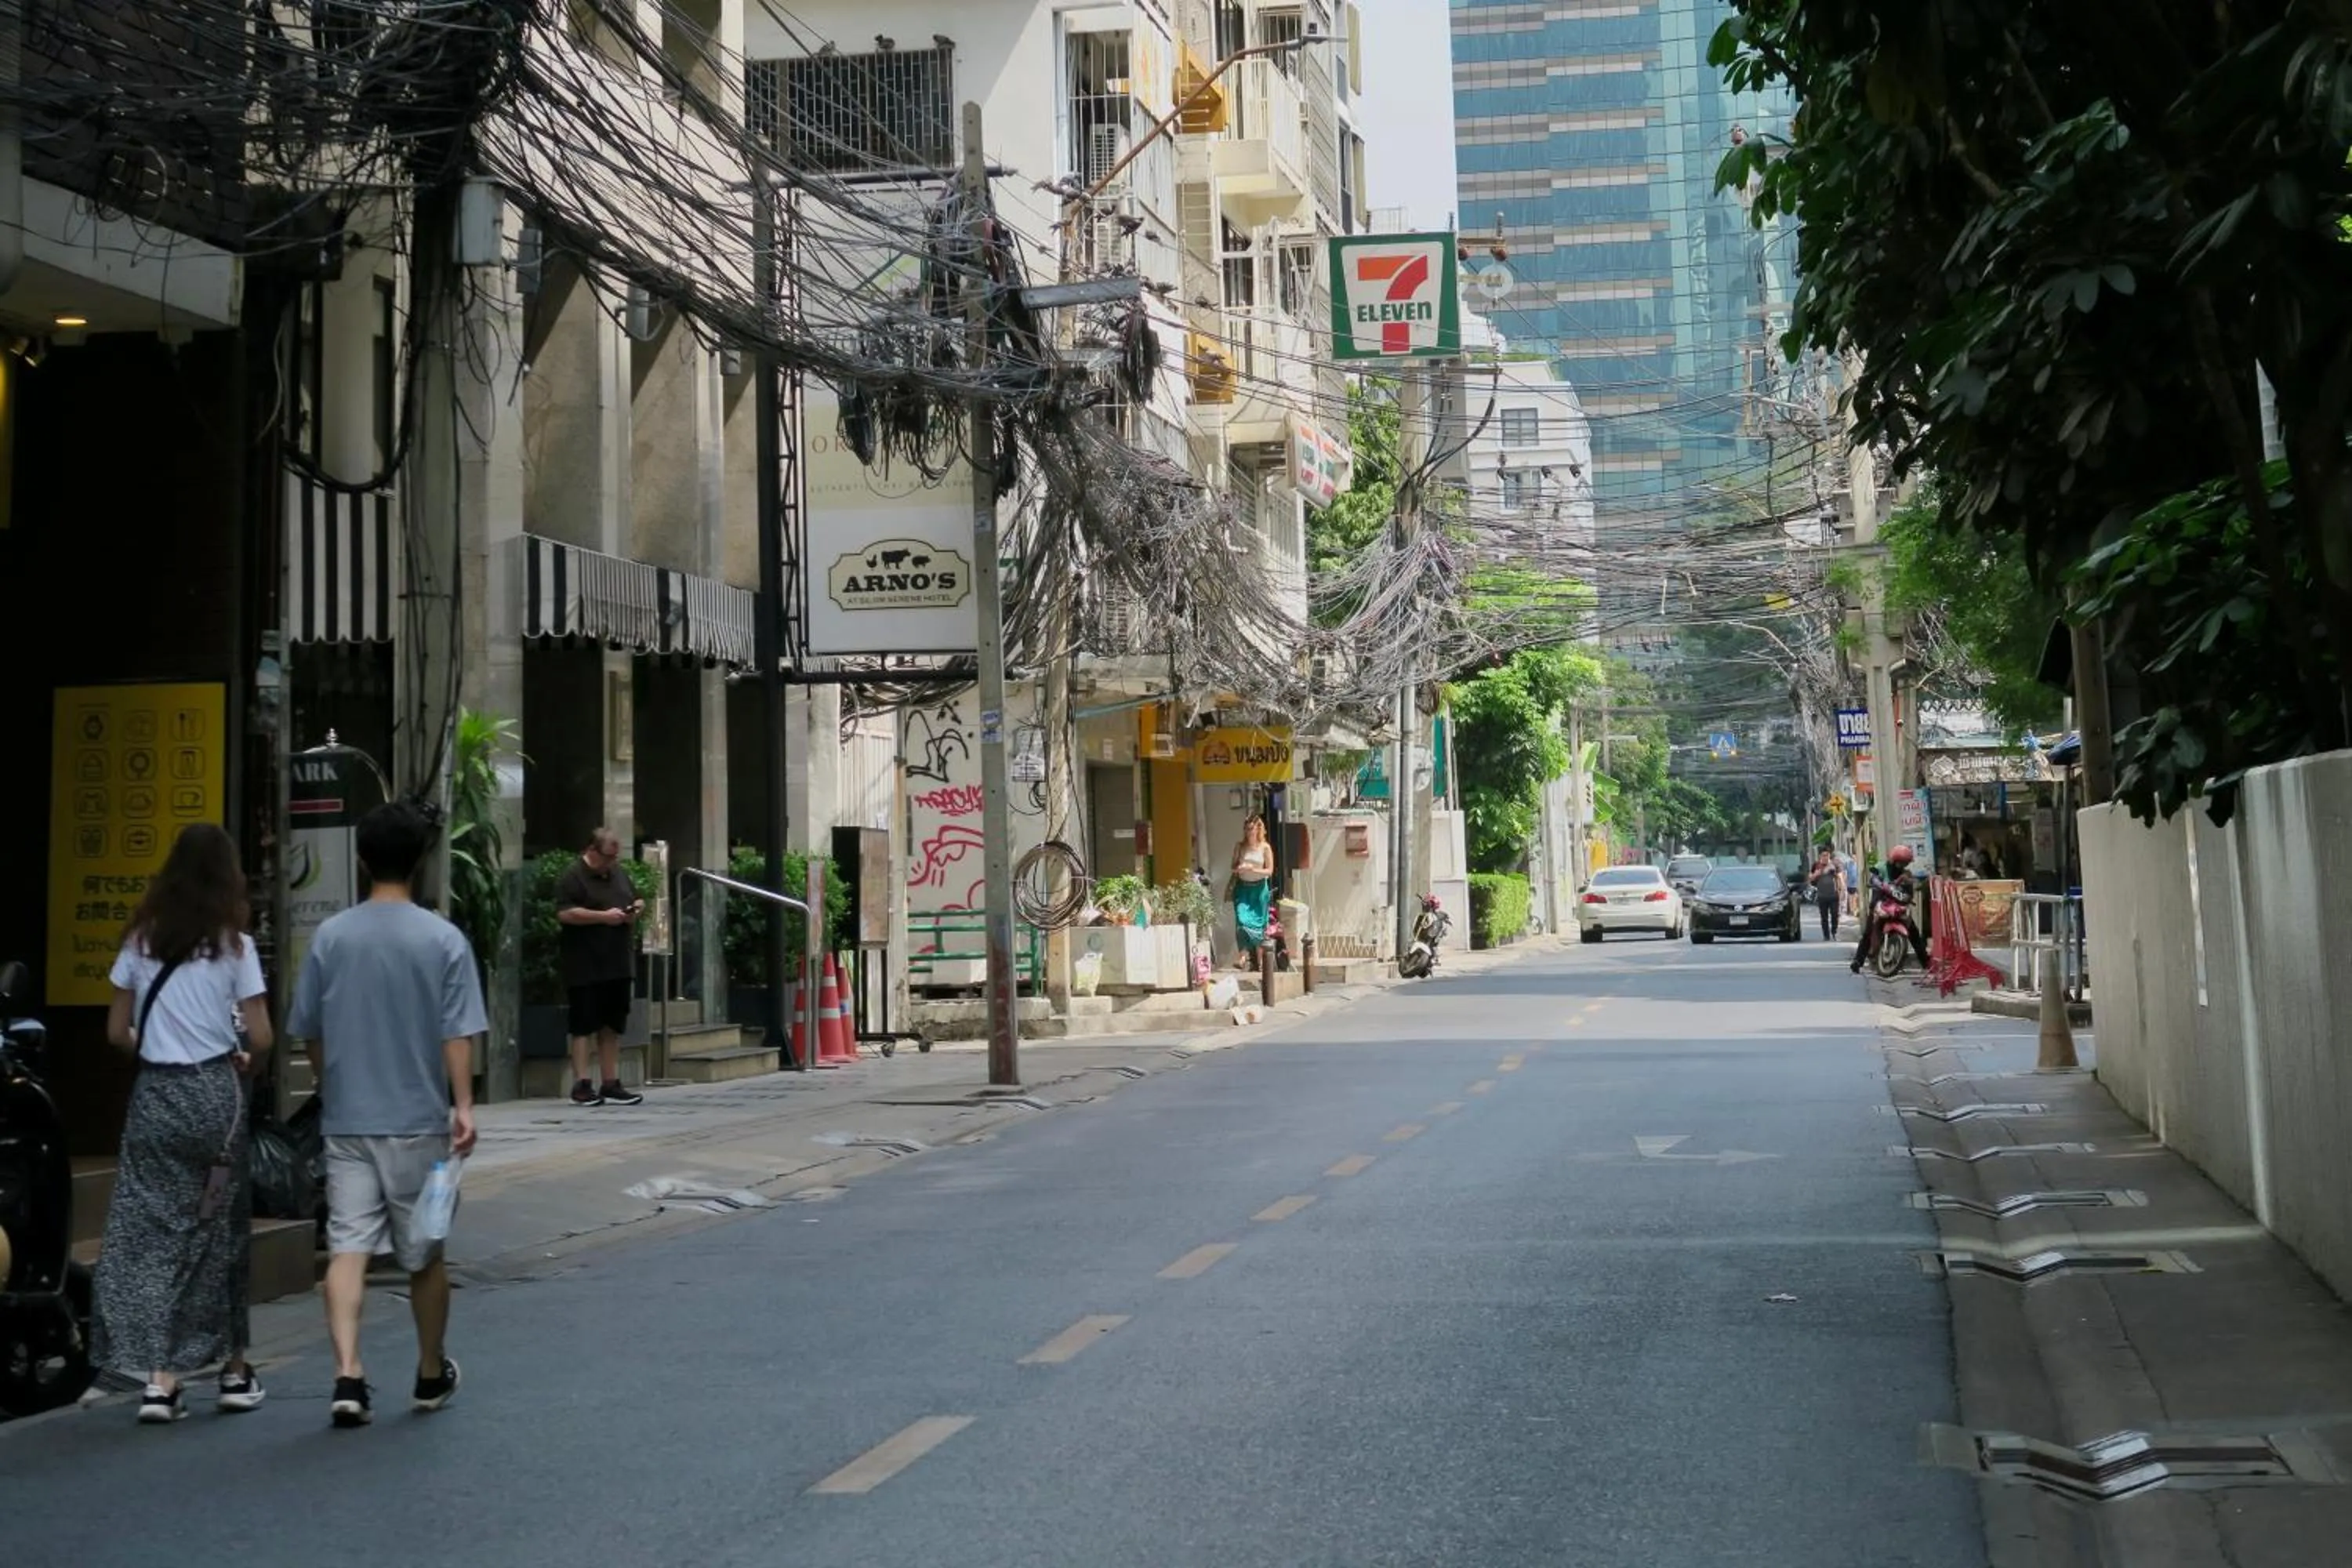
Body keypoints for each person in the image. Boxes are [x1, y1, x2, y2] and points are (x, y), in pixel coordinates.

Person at [287, 801, 486, 1428]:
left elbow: (309, 1031)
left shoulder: (332, 936)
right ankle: (430, 1371)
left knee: (348, 1247)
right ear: (423, 859)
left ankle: (348, 1373)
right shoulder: (443, 938)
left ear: (362, 859)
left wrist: (331, 1082)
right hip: (422, 1126)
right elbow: (457, 1033)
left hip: (348, 1123)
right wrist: (463, 1105)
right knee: (424, 1254)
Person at [94, 823, 274, 1424]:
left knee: (151, 1235)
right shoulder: (235, 946)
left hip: (155, 1098)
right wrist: (248, 1055)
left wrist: (153, 1042)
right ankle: (233, 1372)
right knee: (220, 1233)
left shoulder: (140, 940)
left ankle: (159, 1380)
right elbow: (264, 1035)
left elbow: (117, 1033)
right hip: (215, 1098)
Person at [554, 828, 645, 1107]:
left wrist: (636, 909)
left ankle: (610, 1082)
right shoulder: (573, 876)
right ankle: (582, 1083)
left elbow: (635, 897)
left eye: (616, 858)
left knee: (612, 1025)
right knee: (583, 1025)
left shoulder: (618, 873)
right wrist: (602, 917)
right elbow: (565, 913)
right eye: (608, 857)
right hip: (586, 963)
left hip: (617, 961)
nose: (612, 863)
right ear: (592, 850)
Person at [1851, 844, 1932, 974]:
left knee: (1913, 932)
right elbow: (1874, 877)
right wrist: (1878, 883)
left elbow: (1910, 890)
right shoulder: (1881, 867)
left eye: (1905, 863)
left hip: (1898, 906)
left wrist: (1913, 887)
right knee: (1869, 931)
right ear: (1894, 860)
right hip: (1881, 903)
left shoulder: (1906, 874)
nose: (1903, 865)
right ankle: (1858, 960)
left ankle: (1926, 962)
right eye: (1901, 862)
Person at [1230, 815, 1276, 968]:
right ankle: (1242, 956)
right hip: (1243, 889)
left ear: (1258, 829)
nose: (1249, 832)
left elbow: (1269, 871)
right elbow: (1233, 868)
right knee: (1242, 921)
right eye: (1246, 829)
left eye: (1251, 829)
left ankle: (1261, 962)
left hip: (1259, 890)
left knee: (1259, 925)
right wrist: (1239, 868)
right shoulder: (1240, 847)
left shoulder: (1265, 848)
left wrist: (1252, 868)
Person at [1807, 848, 1846, 941]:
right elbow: (1810, 878)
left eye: (1827, 855)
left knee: (1835, 915)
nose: (1825, 857)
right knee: (1824, 917)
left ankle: (1834, 932)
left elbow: (1841, 878)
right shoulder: (1816, 865)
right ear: (1820, 856)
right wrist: (1816, 875)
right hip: (1822, 895)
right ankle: (1826, 935)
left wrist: (1843, 890)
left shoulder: (1835, 865)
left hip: (1834, 895)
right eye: (1823, 855)